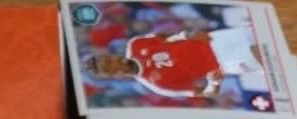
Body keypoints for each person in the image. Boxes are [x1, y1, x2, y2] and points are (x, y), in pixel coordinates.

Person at [85, 27, 264, 100]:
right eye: (108, 65)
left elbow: (165, 37)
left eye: (108, 57)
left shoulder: (135, 44)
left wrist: (185, 34)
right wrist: (214, 83)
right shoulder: (155, 85)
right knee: (263, 53)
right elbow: (204, 93)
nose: (113, 59)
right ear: (114, 74)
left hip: (214, 39)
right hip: (224, 63)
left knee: (262, 31)